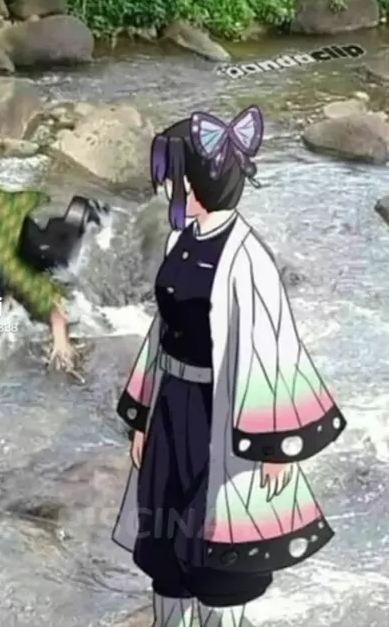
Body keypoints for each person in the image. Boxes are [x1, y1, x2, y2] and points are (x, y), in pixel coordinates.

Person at [112, 107, 347, 627]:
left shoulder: (248, 259)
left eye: (172, 177)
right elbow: (160, 331)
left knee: (220, 551)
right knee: (166, 538)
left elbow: (273, 346)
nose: (166, 187)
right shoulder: (179, 240)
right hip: (172, 405)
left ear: (196, 183)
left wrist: (276, 443)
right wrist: (142, 416)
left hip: (221, 413)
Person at [0, 178, 109, 375]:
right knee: (17, 277)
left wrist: (61, 340)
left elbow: (35, 290)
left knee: (54, 260)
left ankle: (81, 212)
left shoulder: (0, 263)